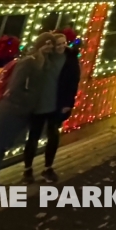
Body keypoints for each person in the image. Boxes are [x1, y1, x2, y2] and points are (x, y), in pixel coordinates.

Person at [0, 33, 54, 187]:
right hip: (11, 110)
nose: (49, 47)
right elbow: (14, 87)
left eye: (51, 45)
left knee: (4, 145)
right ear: (39, 44)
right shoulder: (27, 62)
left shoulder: (45, 63)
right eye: (46, 44)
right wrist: (28, 102)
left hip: (23, 112)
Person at [23, 28, 80, 183]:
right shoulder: (45, 57)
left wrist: (68, 103)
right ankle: (27, 169)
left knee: (53, 136)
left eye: (63, 43)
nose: (61, 46)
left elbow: (73, 82)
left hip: (57, 103)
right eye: (58, 44)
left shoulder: (71, 59)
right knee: (33, 137)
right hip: (39, 103)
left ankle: (48, 168)